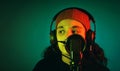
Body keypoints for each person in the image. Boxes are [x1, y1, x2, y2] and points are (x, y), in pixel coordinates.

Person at [33, 7, 110, 71]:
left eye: (75, 31)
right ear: (54, 37)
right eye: (61, 31)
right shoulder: (42, 67)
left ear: (88, 37)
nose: (67, 37)